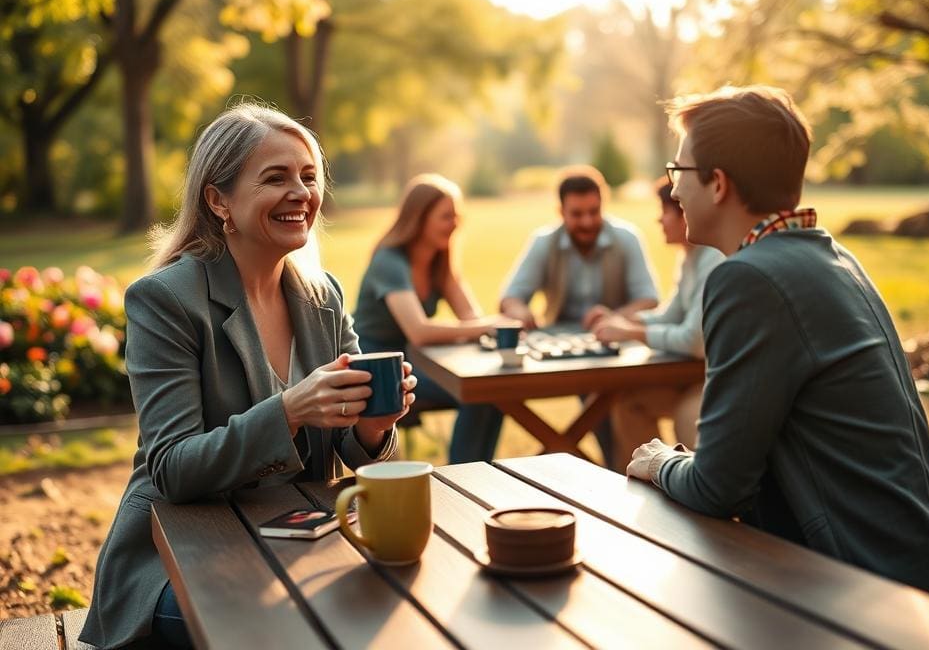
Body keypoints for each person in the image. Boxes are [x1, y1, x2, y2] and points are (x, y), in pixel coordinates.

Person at [80, 103, 416, 649]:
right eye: (275, 178)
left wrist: (376, 424)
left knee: (394, 602)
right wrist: (291, 409)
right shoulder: (165, 300)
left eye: (309, 177)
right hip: (180, 556)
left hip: (298, 539)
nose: (301, 193)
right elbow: (172, 469)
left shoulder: (321, 296)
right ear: (219, 201)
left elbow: (355, 454)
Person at [626, 85, 929, 600]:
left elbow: (716, 488)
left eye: (679, 173)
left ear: (717, 184)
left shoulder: (749, 279)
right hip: (917, 567)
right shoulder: (832, 257)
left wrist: (659, 461)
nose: (673, 192)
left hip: (869, 588)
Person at [499, 165, 659, 467]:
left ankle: (617, 471)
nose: (587, 221)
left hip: (614, 350)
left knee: (607, 403)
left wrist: (614, 318)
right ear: (561, 211)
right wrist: (521, 311)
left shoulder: (626, 239)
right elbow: (510, 298)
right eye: (577, 214)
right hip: (561, 350)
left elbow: (649, 300)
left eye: (593, 211)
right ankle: (610, 470)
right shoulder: (544, 242)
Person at [353, 174, 504, 464]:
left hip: (410, 361)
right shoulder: (389, 261)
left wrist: (486, 328)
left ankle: (480, 472)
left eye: (457, 215)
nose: (455, 223)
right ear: (419, 219)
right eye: (446, 216)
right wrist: (489, 326)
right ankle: (464, 476)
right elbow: (419, 331)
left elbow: (471, 317)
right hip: (376, 368)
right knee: (477, 392)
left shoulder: (439, 262)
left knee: (492, 390)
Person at [591, 176, 724, 461]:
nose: (659, 220)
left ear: (686, 214)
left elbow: (692, 340)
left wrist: (630, 332)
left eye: (665, 211)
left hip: (718, 382)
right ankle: (649, 488)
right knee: (630, 402)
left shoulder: (713, 258)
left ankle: (691, 491)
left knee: (687, 419)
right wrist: (619, 321)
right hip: (695, 376)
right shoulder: (690, 257)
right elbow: (669, 315)